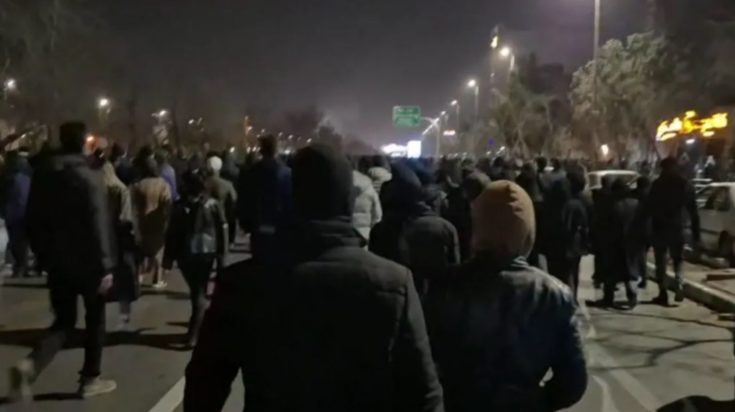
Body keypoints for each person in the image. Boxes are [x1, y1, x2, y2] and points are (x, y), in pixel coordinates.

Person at [184, 144, 443, 411]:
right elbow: (424, 394)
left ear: (290, 199)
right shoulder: (393, 283)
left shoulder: (243, 283)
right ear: (348, 203)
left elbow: (204, 387)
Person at [426, 181, 587, 412]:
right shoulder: (554, 294)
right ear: (527, 232)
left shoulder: (445, 286)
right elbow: (573, 382)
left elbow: (422, 367)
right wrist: (534, 402)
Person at [10, 122, 117, 401]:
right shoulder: (89, 176)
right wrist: (106, 265)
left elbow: (32, 218)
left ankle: (30, 366)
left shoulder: (44, 174)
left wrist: (42, 255)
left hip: (57, 261)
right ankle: (90, 378)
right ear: (84, 143)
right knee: (95, 320)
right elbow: (98, 223)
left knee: (63, 321)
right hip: (89, 262)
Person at [371, 161, 460, 295]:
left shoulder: (381, 231)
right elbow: (454, 272)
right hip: (435, 300)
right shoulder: (443, 227)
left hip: (397, 299)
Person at [164, 169, 228, 347]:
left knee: (196, 291)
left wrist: (168, 258)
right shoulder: (213, 204)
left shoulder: (179, 206)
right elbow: (222, 230)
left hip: (186, 255)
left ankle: (194, 331)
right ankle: (195, 331)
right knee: (199, 291)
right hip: (207, 253)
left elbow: (172, 234)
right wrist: (222, 257)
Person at [644, 157, 700, 306]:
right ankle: (679, 283)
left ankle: (663, 292)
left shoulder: (657, 184)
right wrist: (696, 234)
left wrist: (645, 229)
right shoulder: (685, 184)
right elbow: (693, 211)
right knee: (678, 259)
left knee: (661, 262)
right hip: (677, 227)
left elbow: (649, 207)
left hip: (660, 227)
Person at [237, 135, 292, 263]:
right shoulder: (287, 173)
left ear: (261, 150)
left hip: (258, 223)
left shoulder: (252, 172)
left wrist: (245, 223)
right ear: (276, 150)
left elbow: (244, 199)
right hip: (280, 225)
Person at [99, 157, 139, 330]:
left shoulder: (95, 190)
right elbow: (126, 218)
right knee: (125, 281)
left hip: (101, 240)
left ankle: (98, 321)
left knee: (101, 282)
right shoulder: (121, 190)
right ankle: (124, 317)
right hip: (120, 241)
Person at [131, 151, 173, 289]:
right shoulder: (162, 184)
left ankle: (139, 276)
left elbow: (133, 204)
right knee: (158, 252)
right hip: (158, 221)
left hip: (142, 221)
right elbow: (167, 203)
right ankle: (156, 279)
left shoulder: (138, 184)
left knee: (142, 251)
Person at [599, 178, 642, 308]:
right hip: (632, 242)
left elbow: (604, 224)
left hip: (614, 243)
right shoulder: (636, 204)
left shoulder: (611, 205)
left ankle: (608, 298)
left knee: (610, 272)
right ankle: (632, 295)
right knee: (630, 271)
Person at [545, 177, 589, 299]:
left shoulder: (549, 206)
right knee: (572, 273)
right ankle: (571, 298)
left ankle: (559, 298)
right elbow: (584, 226)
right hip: (573, 245)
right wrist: (585, 243)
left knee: (555, 274)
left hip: (554, 245)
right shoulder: (576, 204)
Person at [0, 150, 32, 277]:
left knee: (15, 240)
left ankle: (19, 265)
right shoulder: (27, 172)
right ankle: (22, 265)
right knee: (22, 240)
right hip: (25, 210)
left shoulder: (7, 174)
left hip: (12, 211)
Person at [205, 155, 238, 246]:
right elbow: (233, 204)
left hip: (203, 223)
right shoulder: (227, 185)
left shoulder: (201, 183)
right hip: (221, 221)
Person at [352, 168, 382, 241]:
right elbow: (377, 215)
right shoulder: (369, 188)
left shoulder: (339, 186)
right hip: (365, 235)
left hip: (347, 234)